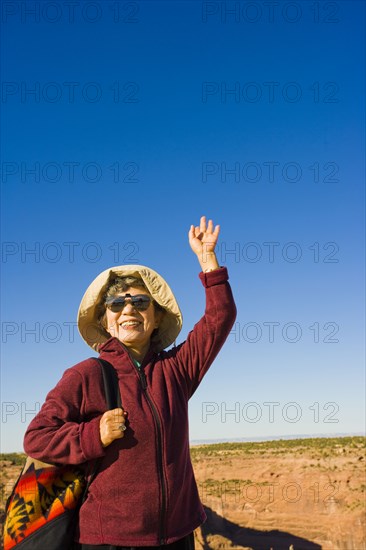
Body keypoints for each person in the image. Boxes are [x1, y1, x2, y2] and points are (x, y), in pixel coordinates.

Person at [23, 216, 237, 550]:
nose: (128, 309)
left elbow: (219, 319)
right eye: (116, 304)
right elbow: (37, 438)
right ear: (106, 321)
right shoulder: (85, 375)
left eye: (140, 301)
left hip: (178, 535)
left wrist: (208, 259)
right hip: (110, 539)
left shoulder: (176, 369)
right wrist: (93, 435)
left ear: (156, 317)